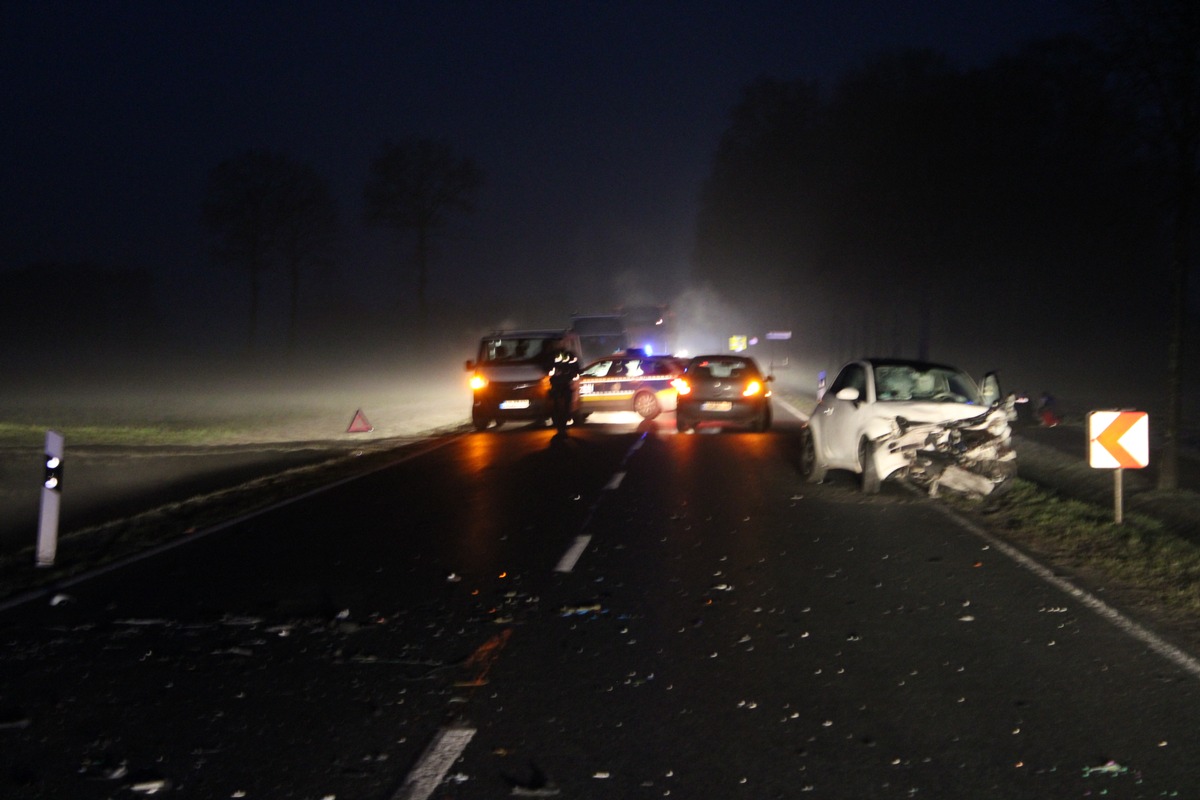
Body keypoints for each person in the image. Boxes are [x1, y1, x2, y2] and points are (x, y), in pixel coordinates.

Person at [545, 339, 580, 434]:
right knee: (558, 404)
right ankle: (561, 423)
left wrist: (572, 374)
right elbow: (547, 367)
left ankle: (563, 422)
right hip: (559, 384)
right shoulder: (553, 355)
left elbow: (576, 368)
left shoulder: (569, 355)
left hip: (563, 384)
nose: (561, 344)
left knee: (563, 404)